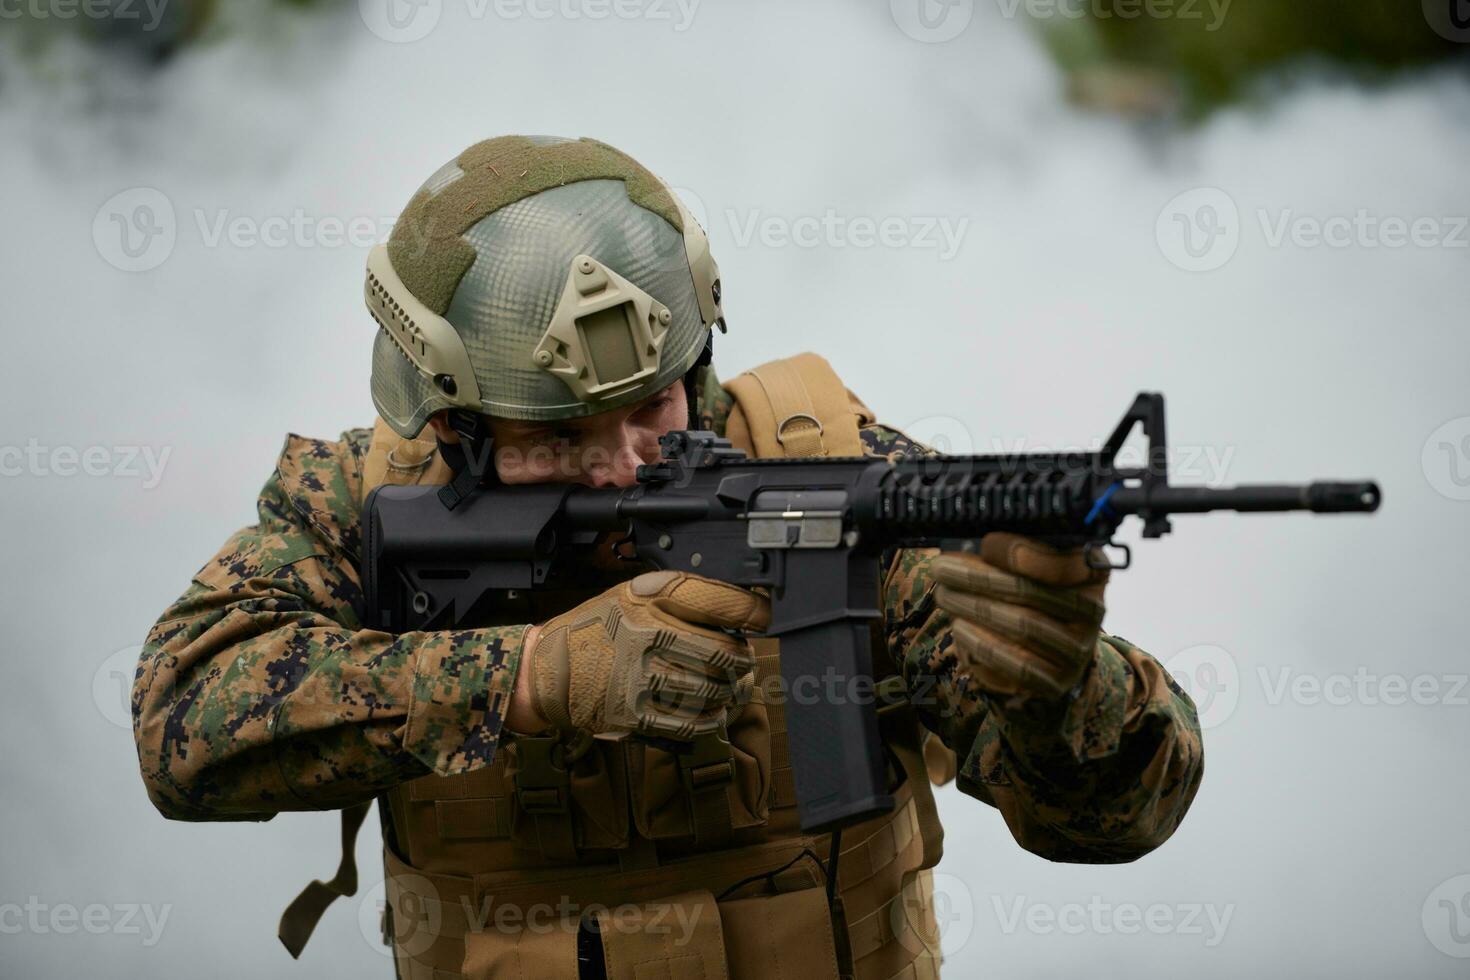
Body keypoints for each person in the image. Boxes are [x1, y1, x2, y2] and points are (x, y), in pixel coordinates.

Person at [133, 135, 1204, 980]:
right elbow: (183, 720)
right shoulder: (368, 495)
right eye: (555, 435)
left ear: (698, 354)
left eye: (653, 405)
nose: (616, 466)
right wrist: (531, 677)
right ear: (454, 418)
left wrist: (1058, 691)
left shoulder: (831, 472)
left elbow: (1121, 815)